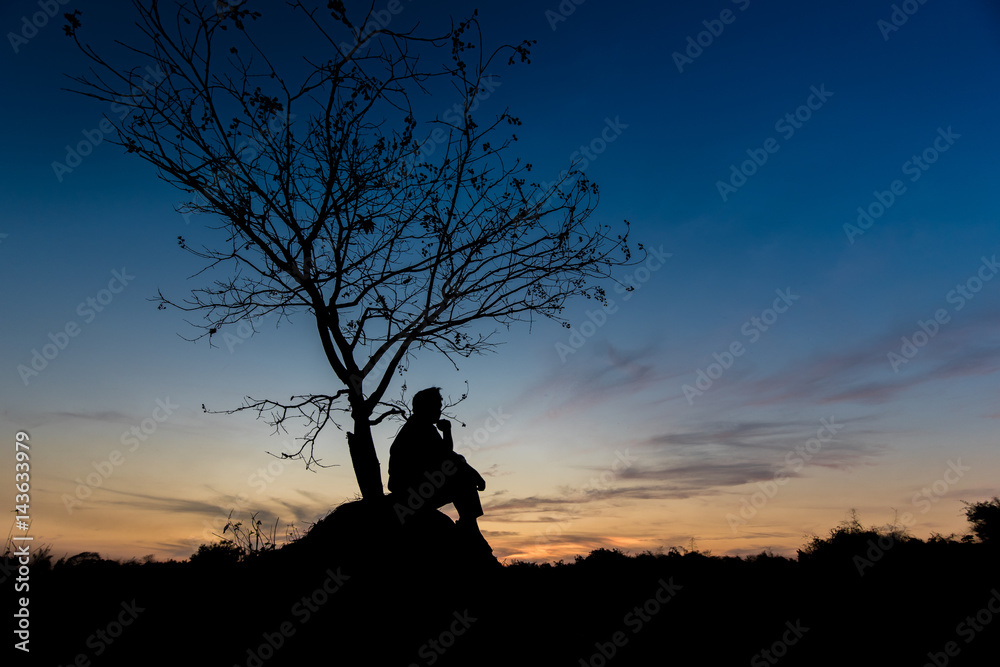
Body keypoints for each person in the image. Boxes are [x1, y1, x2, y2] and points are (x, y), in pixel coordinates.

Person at [388, 387, 487, 537]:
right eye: (436, 407)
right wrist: (447, 431)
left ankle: (469, 523)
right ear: (426, 407)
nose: (439, 411)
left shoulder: (421, 426)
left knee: (460, 466)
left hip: (415, 488)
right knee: (463, 478)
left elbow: (448, 455)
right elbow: (447, 456)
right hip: (411, 492)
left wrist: (471, 471)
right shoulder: (419, 427)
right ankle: (469, 525)